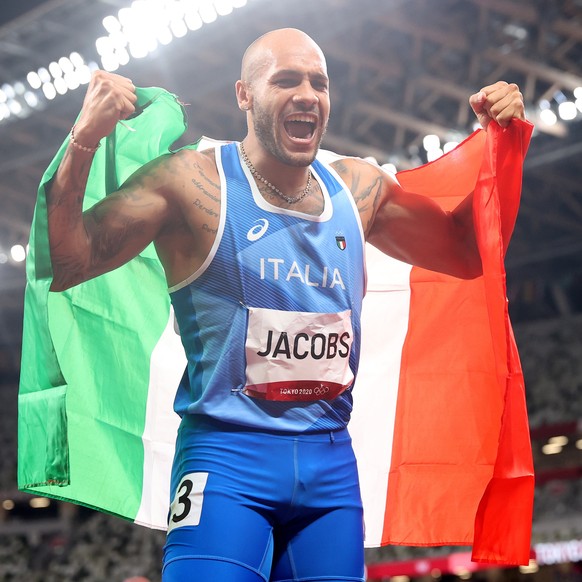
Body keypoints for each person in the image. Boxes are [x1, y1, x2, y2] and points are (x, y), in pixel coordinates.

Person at [46, 27, 526, 582]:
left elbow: (468, 251)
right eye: (286, 80)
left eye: (319, 83)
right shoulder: (192, 185)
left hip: (329, 468)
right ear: (244, 95)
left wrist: (503, 143)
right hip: (225, 463)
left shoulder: (359, 189)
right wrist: (84, 137)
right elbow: (71, 262)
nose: (307, 95)